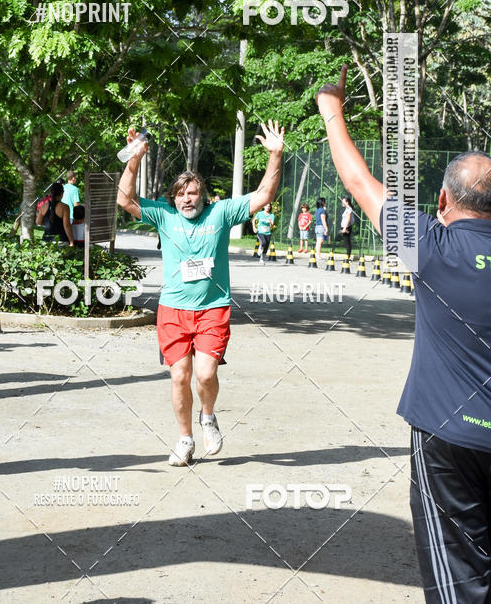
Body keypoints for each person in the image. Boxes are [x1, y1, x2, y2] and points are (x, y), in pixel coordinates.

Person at [316, 64, 491, 603]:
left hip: (448, 438)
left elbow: (357, 182)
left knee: (458, 579)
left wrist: (331, 107)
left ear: (442, 202)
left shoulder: (430, 248)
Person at [117, 120, 285, 467]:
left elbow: (264, 195)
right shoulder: (164, 216)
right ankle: (185, 439)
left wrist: (275, 155)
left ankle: (207, 417)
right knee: (179, 376)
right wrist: (134, 160)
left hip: (212, 308)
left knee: (205, 374)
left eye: (192, 193)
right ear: (174, 197)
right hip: (173, 311)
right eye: (181, 193)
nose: (186, 198)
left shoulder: (220, 214)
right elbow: (125, 200)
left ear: (202, 195)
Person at [36, 182, 74, 246]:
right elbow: (67, 225)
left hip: (46, 240)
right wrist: (71, 241)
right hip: (61, 240)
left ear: (51, 193)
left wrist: (49, 222)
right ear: (62, 193)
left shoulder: (43, 206)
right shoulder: (64, 207)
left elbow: (38, 222)